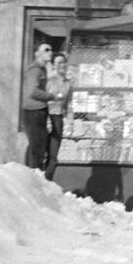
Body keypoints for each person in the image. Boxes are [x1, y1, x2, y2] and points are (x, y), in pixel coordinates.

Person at [21, 42, 56, 171]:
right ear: (37, 54)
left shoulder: (42, 69)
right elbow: (33, 91)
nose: (50, 52)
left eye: (51, 50)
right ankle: (33, 175)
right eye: (46, 50)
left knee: (36, 145)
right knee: (37, 147)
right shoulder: (34, 70)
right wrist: (51, 96)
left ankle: (31, 174)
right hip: (33, 112)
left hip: (38, 111)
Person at [44, 51, 74, 181]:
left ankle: (47, 182)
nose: (62, 65)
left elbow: (68, 104)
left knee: (53, 155)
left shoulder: (68, 83)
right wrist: (46, 119)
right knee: (42, 153)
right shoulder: (49, 79)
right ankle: (37, 181)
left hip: (58, 119)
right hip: (47, 117)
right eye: (59, 62)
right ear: (54, 65)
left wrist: (69, 121)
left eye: (64, 62)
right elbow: (42, 99)